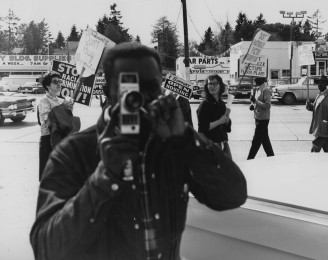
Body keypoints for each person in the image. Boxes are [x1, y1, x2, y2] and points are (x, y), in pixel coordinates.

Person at [30, 43, 247, 260]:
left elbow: (232, 196)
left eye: (151, 87)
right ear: (109, 91)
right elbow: (46, 248)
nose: (142, 97)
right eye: (130, 86)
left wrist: (186, 139)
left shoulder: (175, 145)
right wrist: (104, 178)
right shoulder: (75, 151)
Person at [37, 71, 73, 180]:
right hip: (48, 140)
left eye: (60, 81)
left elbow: (64, 121)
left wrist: (68, 110)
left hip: (61, 139)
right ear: (47, 85)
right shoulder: (44, 100)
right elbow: (47, 121)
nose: (59, 84)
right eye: (55, 82)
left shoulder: (59, 101)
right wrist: (62, 108)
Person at [197, 74, 232, 158]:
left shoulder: (222, 103)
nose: (212, 86)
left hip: (222, 143)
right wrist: (220, 121)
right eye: (210, 84)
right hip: (210, 146)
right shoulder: (204, 104)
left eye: (215, 83)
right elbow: (203, 127)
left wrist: (227, 118)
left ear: (220, 85)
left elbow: (227, 127)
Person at [305, 75, 328, 153]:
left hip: (323, 128)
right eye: (319, 83)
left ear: (326, 85)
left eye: (322, 83)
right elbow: (317, 108)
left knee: (315, 147)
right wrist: (310, 106)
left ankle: (312, 162)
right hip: (318, 126)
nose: (320, 85)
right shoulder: (319, 95)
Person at [247, 77, 274, 159]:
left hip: (263, 119)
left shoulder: (265, 90)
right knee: (265, 141)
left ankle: (249, 159)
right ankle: (271, 157)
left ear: (262, 80)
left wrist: (255, 101)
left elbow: (267, 105)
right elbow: (258, 103)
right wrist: (253, 106)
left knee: (256, 141)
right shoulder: (258, 89)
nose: (254, 79)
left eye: (256, 78)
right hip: (258, 118)